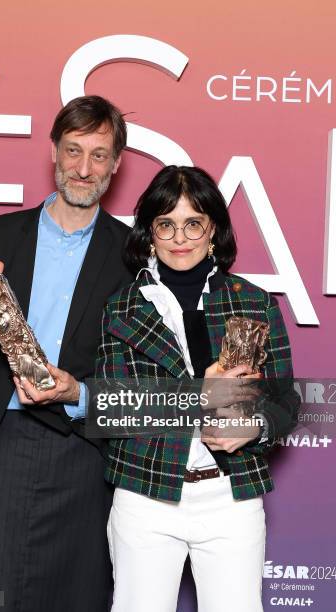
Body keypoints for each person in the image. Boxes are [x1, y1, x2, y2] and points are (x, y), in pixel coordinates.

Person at [0, 95, 133, 612]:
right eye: (73, 150)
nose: (82, 167)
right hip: (5, 442)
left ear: (117, 164)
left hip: (88, 450)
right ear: (53, 151)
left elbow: (138, 373)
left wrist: (83, 393)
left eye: (99, 155)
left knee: (79, 597)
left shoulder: (131, 255)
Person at [95, 165, 300, 612]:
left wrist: (258, 428)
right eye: (166, 224)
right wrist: (197, 391)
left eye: (193, 223)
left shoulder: (253, 301)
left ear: (214, 231)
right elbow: (113, 410)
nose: (180, 237)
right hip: (145, 498)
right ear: (150, 233)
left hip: (232, 497)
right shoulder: (122, 308)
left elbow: (287, 397)